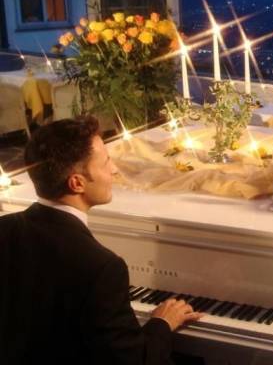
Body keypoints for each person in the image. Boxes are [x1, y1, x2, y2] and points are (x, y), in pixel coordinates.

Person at [0, 117, 202, 365]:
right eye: (106, 163)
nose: (114, 170)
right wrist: (162, 323)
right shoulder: (101, 267)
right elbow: (136, 361)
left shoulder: (4, 228)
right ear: (77, 183)